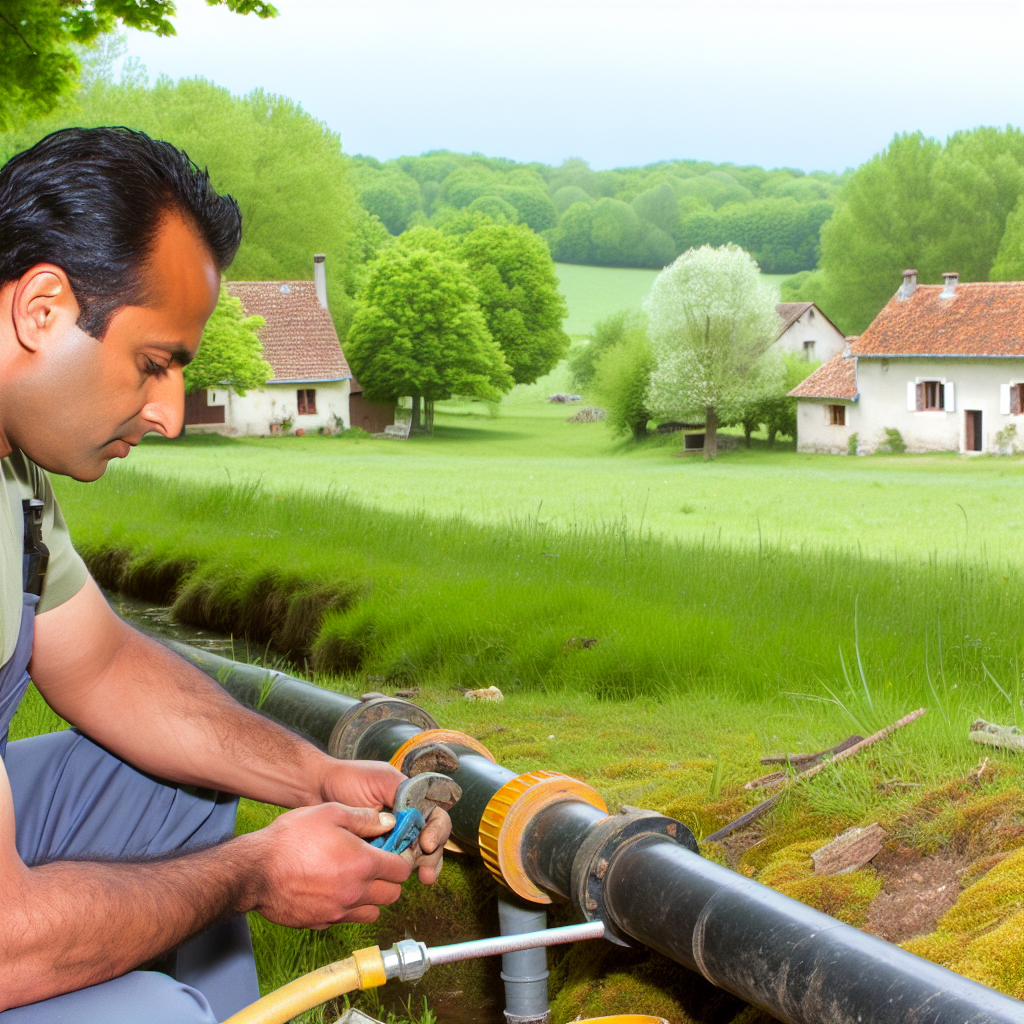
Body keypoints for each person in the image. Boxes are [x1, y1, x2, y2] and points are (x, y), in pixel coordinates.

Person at [0, 127, 452, 1022]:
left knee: (179, 780)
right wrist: (255, 873)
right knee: (154, 1014)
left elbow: (103, 665)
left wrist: (314, 776)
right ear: (42, 309)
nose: (170, 415)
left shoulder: (16, 474)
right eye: (153, 364)